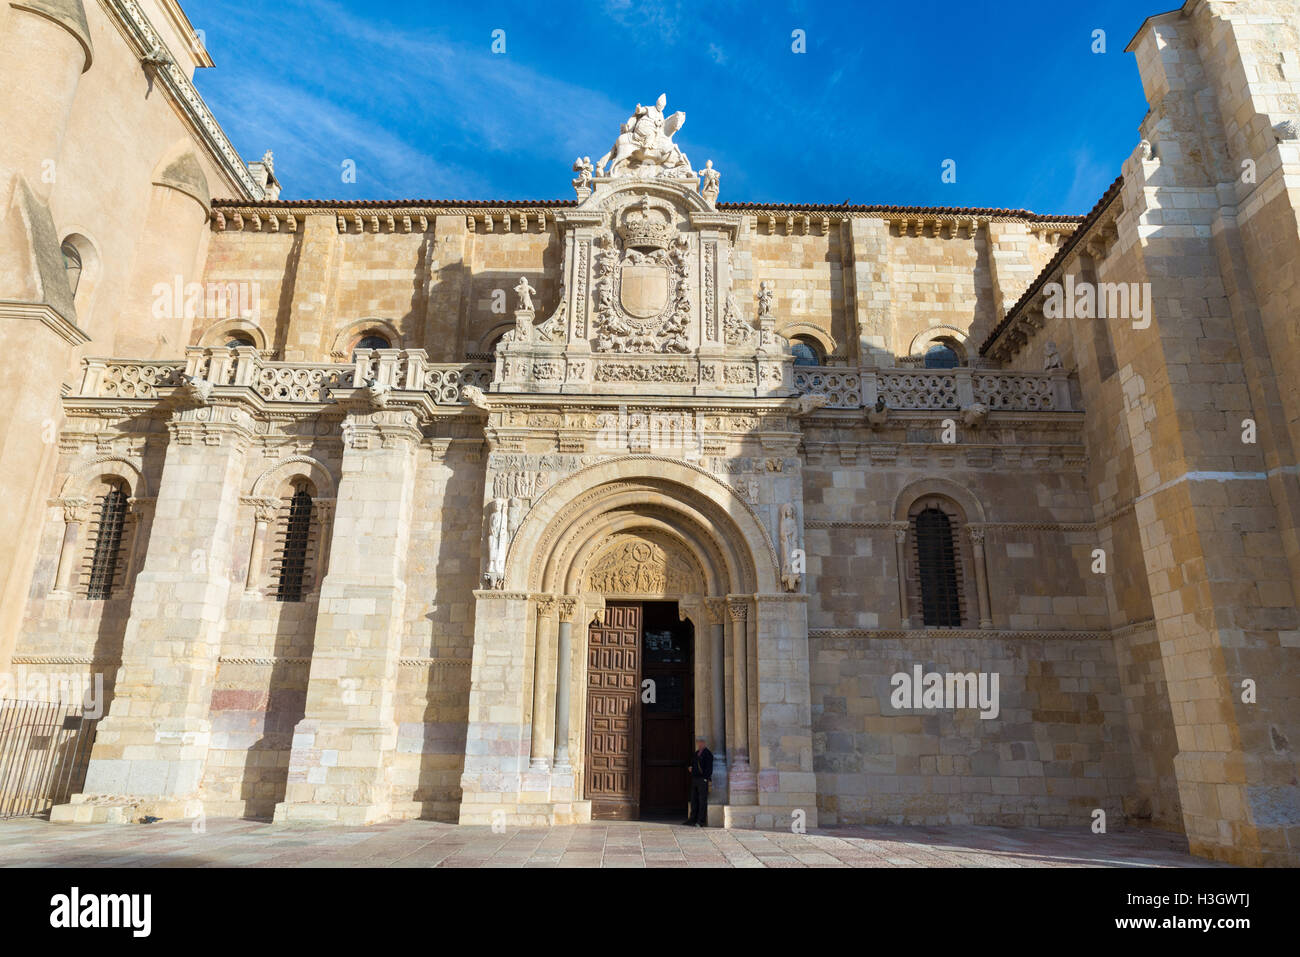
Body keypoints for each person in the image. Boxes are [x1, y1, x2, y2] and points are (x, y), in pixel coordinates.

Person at [684, 736, 713, 827]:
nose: (699, 744)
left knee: (702, 800)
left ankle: (701, 821)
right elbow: (692, 763)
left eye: (701, 742)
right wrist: (690, 768)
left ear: (704, 743)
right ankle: (692, 819)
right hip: (695, 779)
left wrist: (705, 778)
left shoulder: (708, 754)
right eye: (698, 742)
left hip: (702, 780)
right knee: (694, 799)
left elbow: (709, 768)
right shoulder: (696, 753)